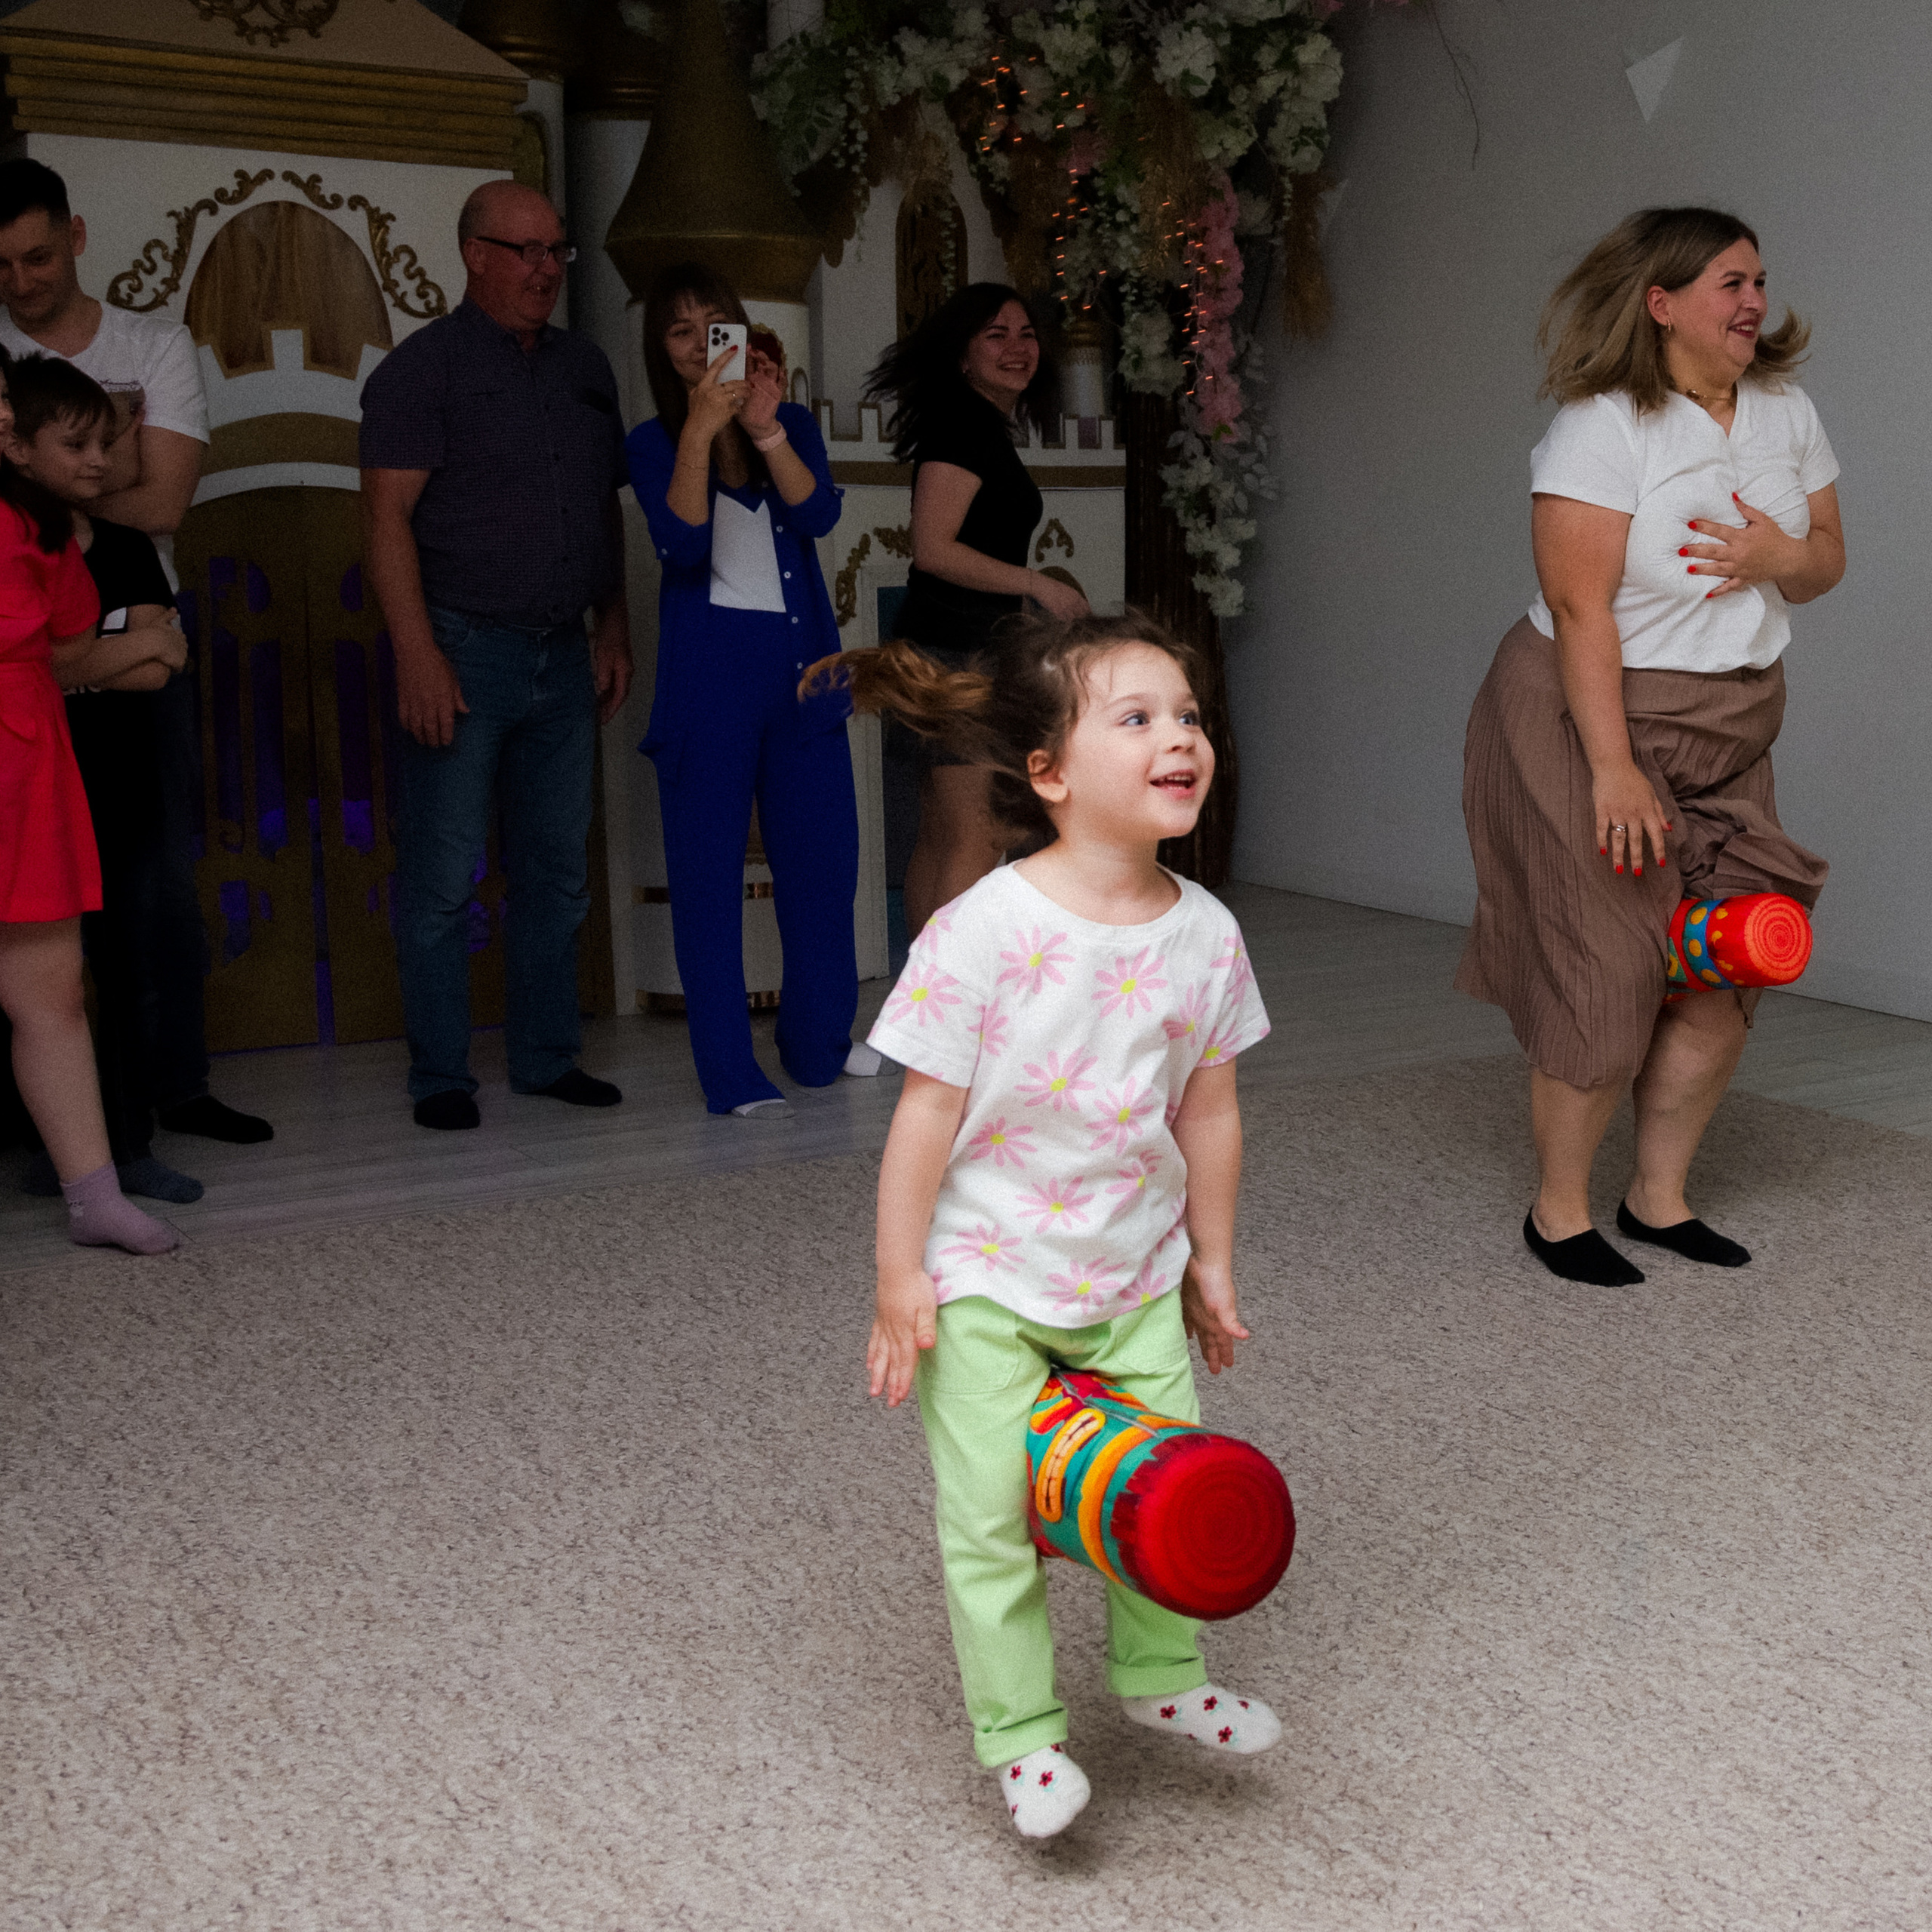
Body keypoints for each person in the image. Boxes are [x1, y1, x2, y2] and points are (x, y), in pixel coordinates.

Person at [817, 609, 1278, 1838]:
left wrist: (1212, 1260)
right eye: (1137, 718)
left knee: (1166, 1481)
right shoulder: (985, 929)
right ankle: (1023, 1737)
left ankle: (1160, 1677)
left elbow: (1212, 1112)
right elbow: (924, 1114)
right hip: (988, 1274)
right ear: (1050, 773)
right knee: (989, 1517)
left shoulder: (1208, 935)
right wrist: (898, 1276)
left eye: (1188, 716)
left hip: (1133, 1270)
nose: (1180, 737)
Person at [1457, 207, 1844, 1287]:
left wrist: (1777, 556)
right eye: (1729, 283)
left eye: (1758, 280)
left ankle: (1658, 1199)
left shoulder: (1786, 410)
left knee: (1733, 957)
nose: (1753, 301)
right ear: (1660, 303)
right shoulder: (1602, 426)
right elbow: (1580, 610)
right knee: (1610, 964)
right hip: (1586, 715)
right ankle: (1560, 1213)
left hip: (1731, 721)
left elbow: (1825, 562)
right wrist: (1613, 769)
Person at [0, 156, 270, 1150]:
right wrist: (91, 477)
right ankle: (55, 1123)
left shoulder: (151, 344)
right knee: (30, 894)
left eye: (37, 257)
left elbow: (165, 501)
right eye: (1, 266)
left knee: (152, 874)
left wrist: (44, 484)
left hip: (129, 595)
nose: (21, 281)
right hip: (17, 637)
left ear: (74, 237)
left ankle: (173, 1088)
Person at [360, 180, 633, 1131]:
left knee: (557, 872)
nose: (547, 269)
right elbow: (385, 520)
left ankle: (547, 1058)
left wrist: (614, 625)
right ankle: (440, 1074)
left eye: (557, 250)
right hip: (463, 649)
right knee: (443, 877)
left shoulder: (585, 366)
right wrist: (417, 654)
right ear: (475, 255)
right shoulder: (420, 372)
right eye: (527, 251)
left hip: (564, 653)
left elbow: (602, 508)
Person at [626, 263, 871, 1118]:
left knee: (823, 869)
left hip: (805, 683)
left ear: (741, 329)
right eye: (680, 331)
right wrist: (700, 430)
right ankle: (730, 1075)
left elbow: (818, 517)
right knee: (706, 886)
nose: (701, 345)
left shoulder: (789, 423)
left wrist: (764, 431)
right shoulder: (651, 442)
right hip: (708, 695)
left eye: (715, 325)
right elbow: (683, 543)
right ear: (661, 352)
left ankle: (817, 1046)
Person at [5, 352, 203, 1206]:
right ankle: (58, 1155)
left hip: (96, 772)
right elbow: (56, 658)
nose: (97, 460)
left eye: (105, 443)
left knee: (116, 961)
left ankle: (118, 1158)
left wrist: (124, 652)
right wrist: (137, 642)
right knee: (48, 979)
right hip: (38, 761)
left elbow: (147, 661)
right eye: (75, 444)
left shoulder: (105, 544)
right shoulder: (24, 536)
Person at [863, 285, 1088, 934]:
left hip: (946, 649)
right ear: (963, 354)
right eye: (996, 334)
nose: (1017, 348)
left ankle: (927, 992)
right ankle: (956, 992)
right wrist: (1039, 585)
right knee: (978, 833)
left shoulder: (974, 425)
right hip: (956, 655)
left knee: (943, 833)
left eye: (1026, 334)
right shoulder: (963, 427)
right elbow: (933, 548)